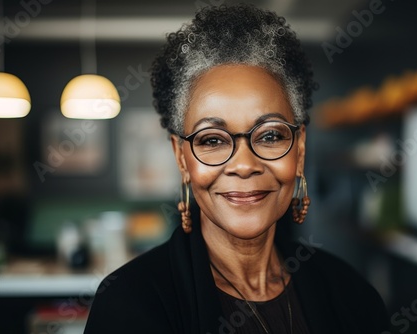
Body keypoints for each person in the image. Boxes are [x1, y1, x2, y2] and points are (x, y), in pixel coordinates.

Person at [84, 4, 389, 333]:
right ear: (181, 158)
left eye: (270, 135)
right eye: (212, 141)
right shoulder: (128, 305)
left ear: (299, 149)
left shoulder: (349, 293)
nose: (244, 165)